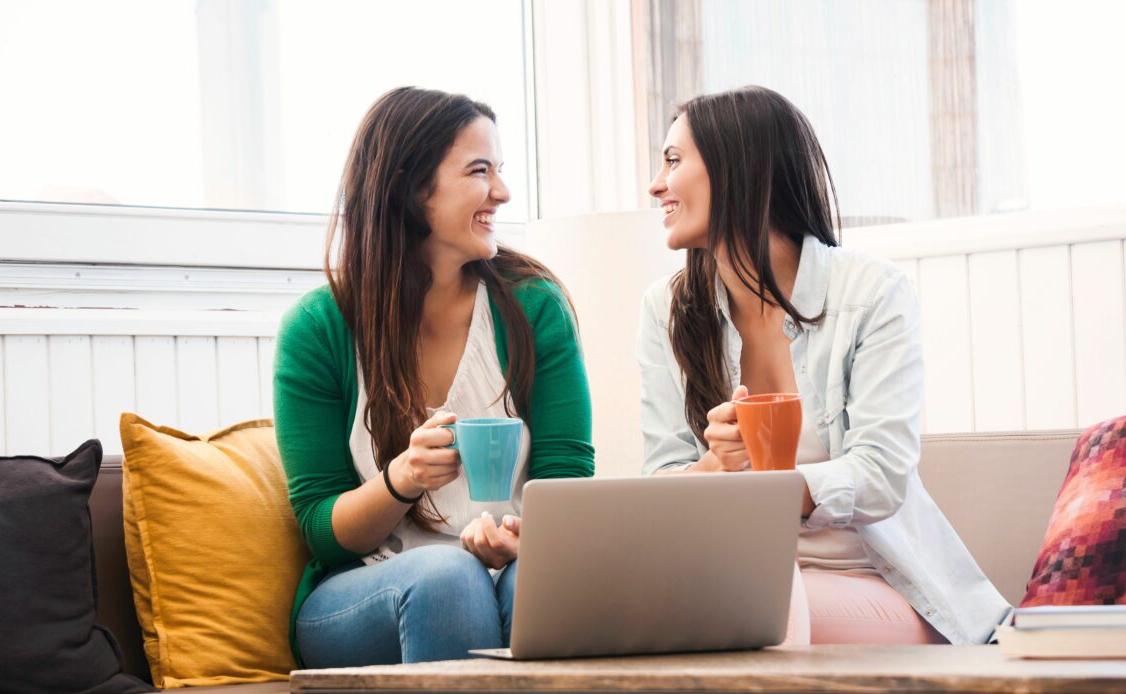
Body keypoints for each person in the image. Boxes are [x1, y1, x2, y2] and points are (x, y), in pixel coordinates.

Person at [637, 85, 1010, 645]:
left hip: (875, 582)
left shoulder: (872, 293)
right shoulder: (667, 310)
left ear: (739, 168)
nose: (656, 184)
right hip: (747, 576)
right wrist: (715, 467)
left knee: (748, 592)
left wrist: (766, 493)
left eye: (673, 160)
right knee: (689, 588)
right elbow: (661, 483)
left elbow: (883, 474)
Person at [274, 87, 594, 667]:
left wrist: (527, 540)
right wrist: (402, 478)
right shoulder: (317, 329)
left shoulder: (534, 308)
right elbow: (322, 529)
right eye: (479, 171)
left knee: (546, 581)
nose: (502, 191)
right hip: (364, 590)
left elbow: (567, 480)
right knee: (450, 576)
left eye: (500, 170)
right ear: (410, 188)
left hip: (509, 567)